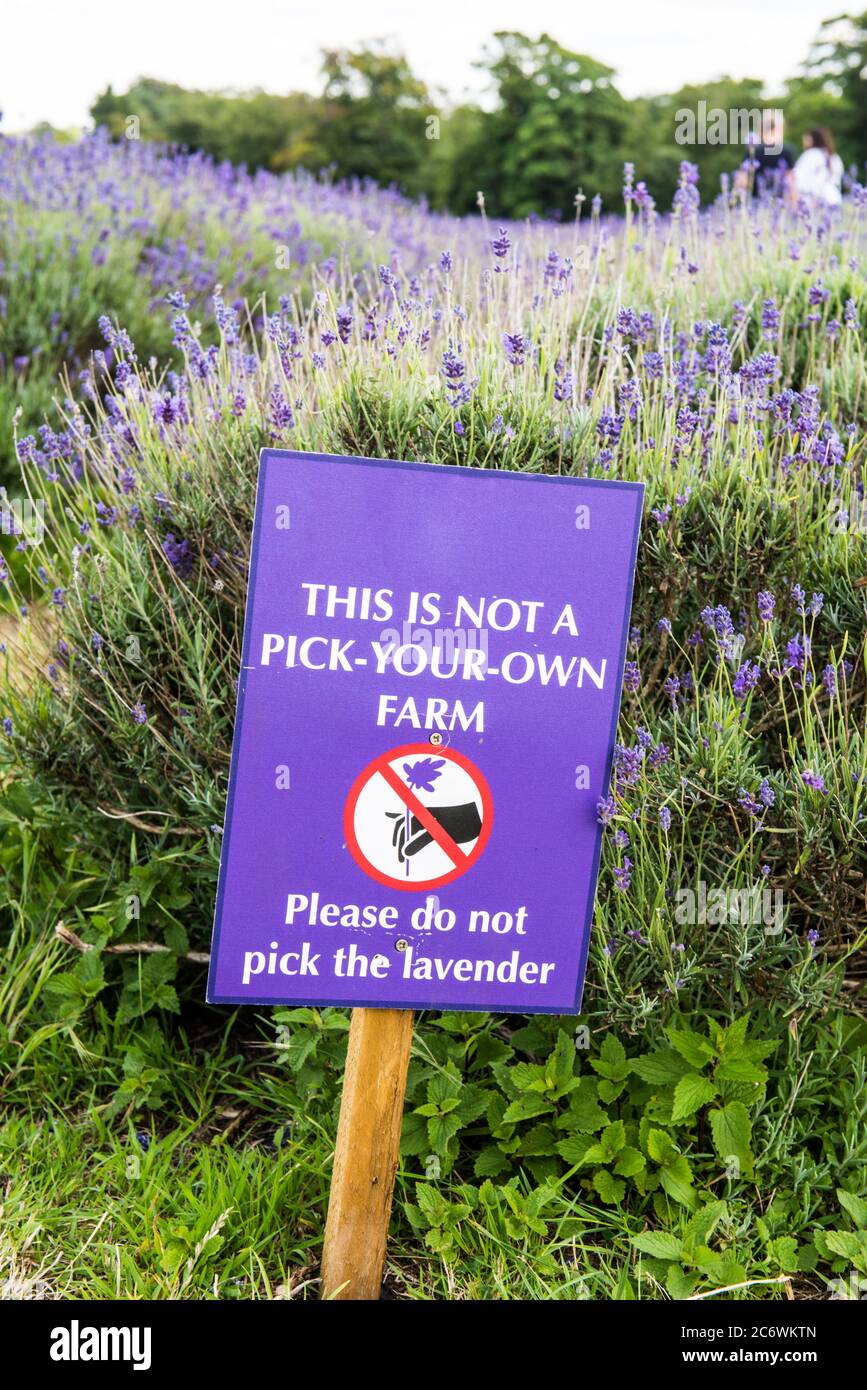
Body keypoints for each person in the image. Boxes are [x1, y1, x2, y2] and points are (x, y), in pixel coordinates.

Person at [736, 111, 797, 200]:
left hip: (756, 206)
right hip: (781, 206)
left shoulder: (753, 150)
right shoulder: (787, 150)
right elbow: (791, 185)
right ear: (781, 127)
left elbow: (741, 182)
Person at [793, 127, 844, 207]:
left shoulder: (810, 155)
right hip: (834, 199)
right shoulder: (834, 156)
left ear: (812, 139)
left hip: (812, 202)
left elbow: (798, 180)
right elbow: (837, 180)